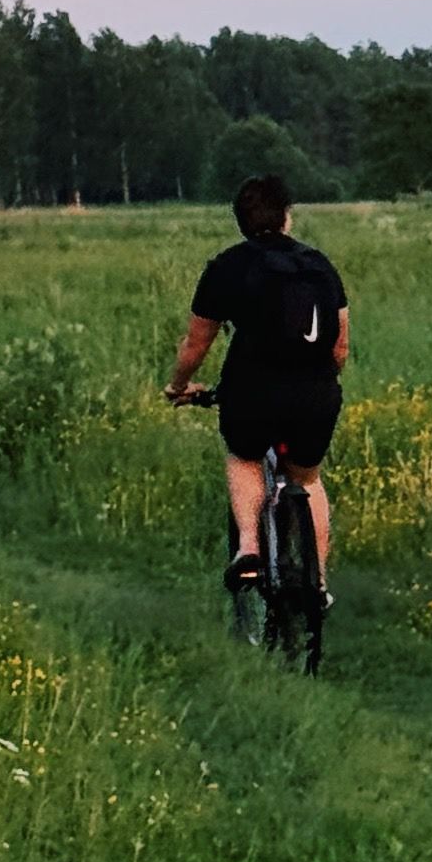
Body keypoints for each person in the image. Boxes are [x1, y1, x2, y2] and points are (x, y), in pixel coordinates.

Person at [167, 170, 348, 624]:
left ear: (241, 222)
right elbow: (339, 346)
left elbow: (196, 345)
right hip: (316, 394)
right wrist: (320, 380)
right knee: (307, 480)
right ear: (287, 217)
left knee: (244, 457)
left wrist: (178, 386)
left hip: (253, 392)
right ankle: (318, 584)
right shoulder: (319, 265)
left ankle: (248, 548)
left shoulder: (227, 266)